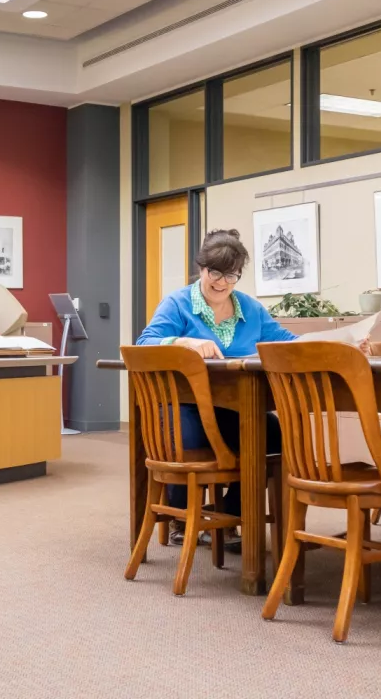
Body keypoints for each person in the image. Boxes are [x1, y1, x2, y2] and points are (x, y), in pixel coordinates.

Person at [136, 228, 295, 548]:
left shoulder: (250, 309)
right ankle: (182, 517)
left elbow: (287, 342)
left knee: (272, 433)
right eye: (215, 272)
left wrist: (339, 342)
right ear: (202, 268)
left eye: (231, 275)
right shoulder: (177, 304)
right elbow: (144, 345)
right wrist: (184, 342)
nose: (221, 282)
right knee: (190, 438)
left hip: (235, 408)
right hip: (185, 405)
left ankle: (228, 515)